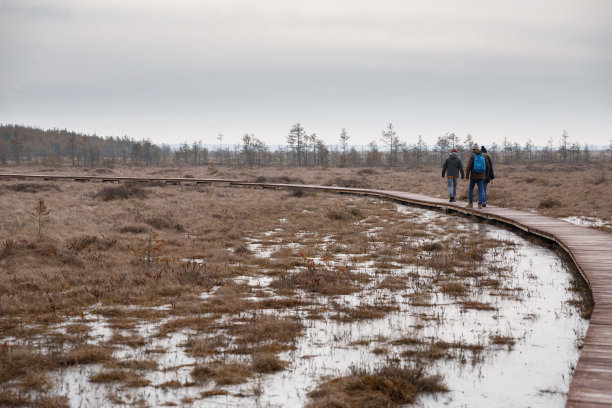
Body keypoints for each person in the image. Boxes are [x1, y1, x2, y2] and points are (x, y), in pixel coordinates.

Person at [465, 144, 490, 209]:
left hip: (473, 176)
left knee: (471, 189)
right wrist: (486, 175)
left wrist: (467, 175)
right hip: (481, 176)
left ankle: (470, 204)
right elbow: (487, 166)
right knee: (481, 190)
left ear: (473, 149)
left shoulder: (472, 156)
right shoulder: (483, 155)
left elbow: (468, 167)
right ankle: (480, 205)